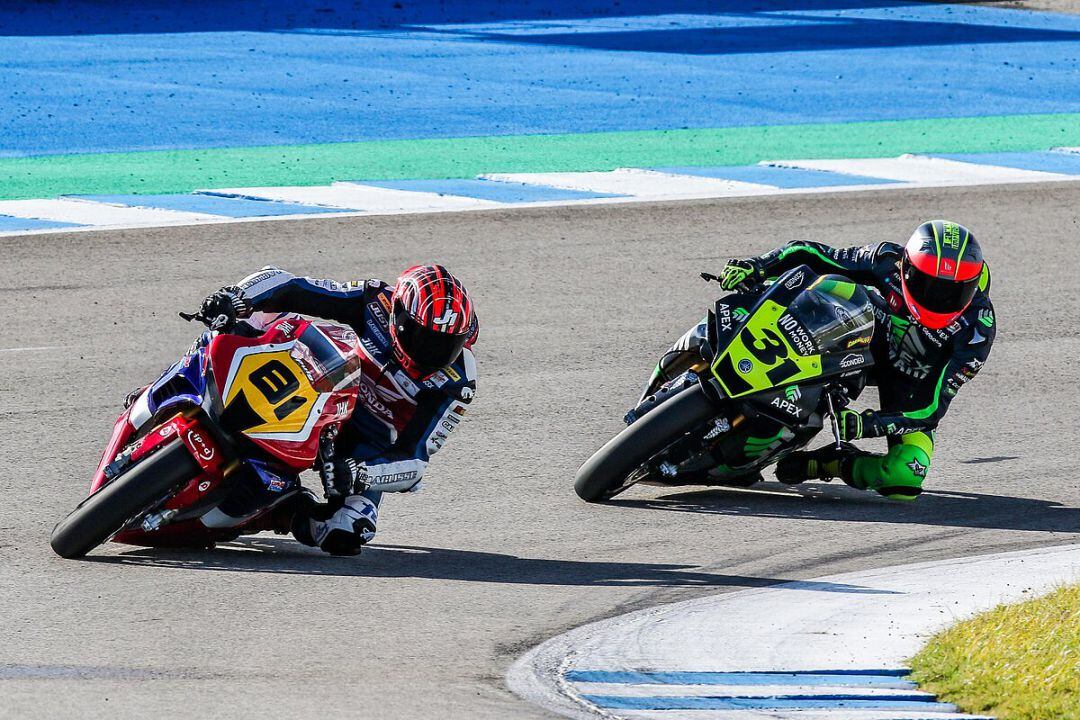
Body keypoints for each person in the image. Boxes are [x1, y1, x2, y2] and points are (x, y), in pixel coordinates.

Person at [197, 264, 478, 554]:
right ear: (400, 315)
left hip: (365, 443)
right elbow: (292, 287)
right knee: (267, 313)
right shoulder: (376, 301)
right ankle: (199, 366)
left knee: (350, 529)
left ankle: (285, 510)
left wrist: (362, 473)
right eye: (423, 337)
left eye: (446, 344)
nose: (431, 352)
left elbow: (414, 463)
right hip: (324, 385)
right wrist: (236, 296)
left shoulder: (458, 382)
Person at [715, 220, 994, 500]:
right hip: (861, 342)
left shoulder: (977, 331)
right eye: (927, 284)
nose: (939, 298)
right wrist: (759, 265)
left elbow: (932, 408)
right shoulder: (887, 260)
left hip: (913, 385)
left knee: (904, 479)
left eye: (954, 291)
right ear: (906, 267)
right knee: (833, 288)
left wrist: (869, 424)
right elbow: (813, 255)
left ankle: (832, 462)